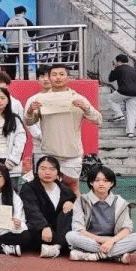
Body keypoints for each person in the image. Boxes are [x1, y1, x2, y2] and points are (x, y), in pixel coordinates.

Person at [23, 63, 101, 195]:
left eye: (61, 74)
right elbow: (29, 121)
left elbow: (98, 119)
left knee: (72, 186)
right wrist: (30, 111)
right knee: (47, 188)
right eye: (54, 75)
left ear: (68, 77)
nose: (58, 77)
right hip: (49, 152)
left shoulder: (77, 98)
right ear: (49, 78)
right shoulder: (39, 99)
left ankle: (76, 209)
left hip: (72, 153)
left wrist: (86, 109)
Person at [67, 166, 136, 263]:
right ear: (91, 182)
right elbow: (79, 229)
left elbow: (126, 229)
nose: (101, 184)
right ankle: (115, 256)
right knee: (71, 236)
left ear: (111, 183)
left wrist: (111, 241)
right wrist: (102, 240)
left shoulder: (120, 202)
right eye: (97, 180)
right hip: (91, 240)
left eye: (105, 181)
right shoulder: (81, 201)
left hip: (113, 240)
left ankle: (95, 255)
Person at [18, 155, 76, 258]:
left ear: (58, 172)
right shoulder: (28, 188)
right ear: (36, 171)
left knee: (70, 212)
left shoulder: (66, 191)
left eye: (52, 169)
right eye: (43, 168)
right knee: (24, 236)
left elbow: (76, 206)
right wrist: (44, 226)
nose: (47, 172)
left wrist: (71, 203)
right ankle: (60, 246)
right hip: (39, 232)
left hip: (59, 231)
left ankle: (57, 246)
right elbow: (32, 211)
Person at [107, 54, 136, 137]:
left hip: (124, 91)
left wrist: (113, 69)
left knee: (111, 99)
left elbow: (110, 79)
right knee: (132, 113)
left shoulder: (118, 68)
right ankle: (130, 132)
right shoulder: (133, 69)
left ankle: (119, 114)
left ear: (118, 61)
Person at [4, 5, 33, 79]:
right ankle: (25, 79)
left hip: (11, 46)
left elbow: (4, 34)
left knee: (11, 65)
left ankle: (10, 79)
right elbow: (32, 32)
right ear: (23, 12)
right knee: (24, 65)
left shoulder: (9, 21)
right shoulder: (26, 20)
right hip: (23, 45)